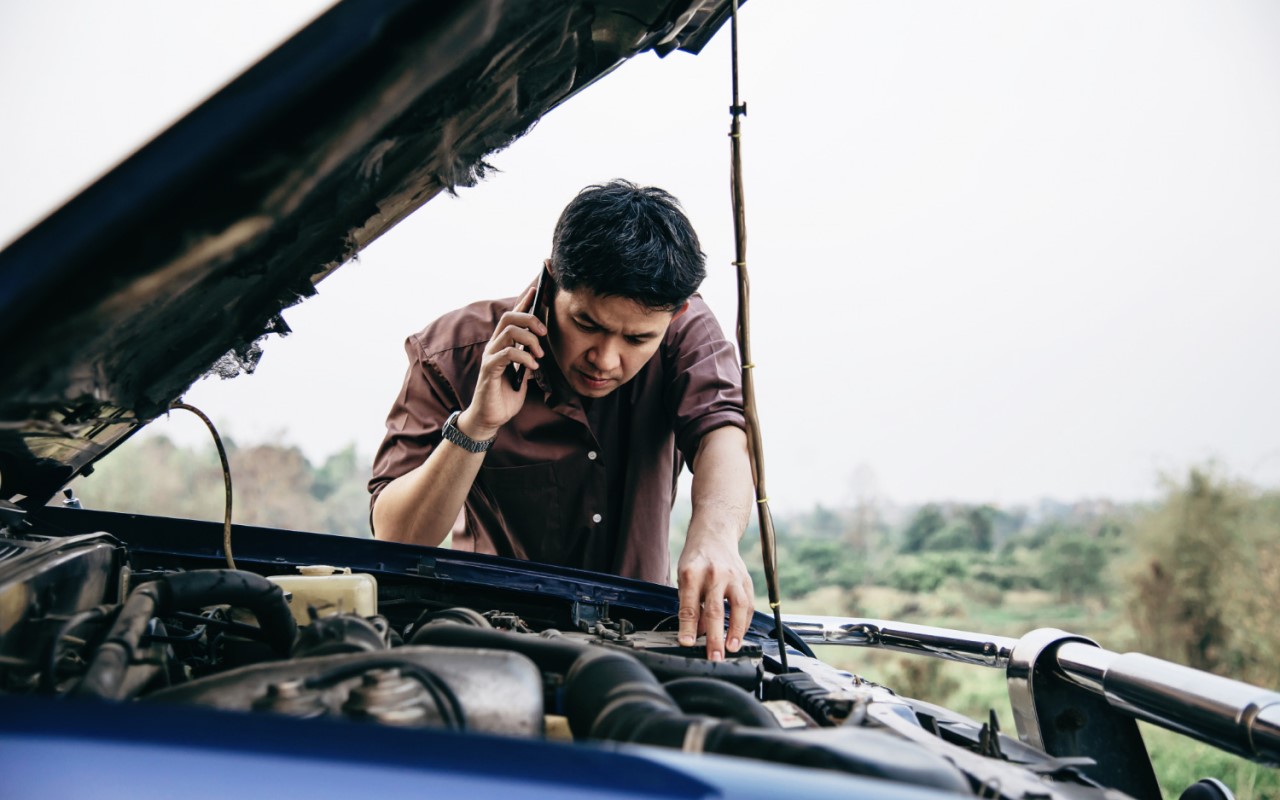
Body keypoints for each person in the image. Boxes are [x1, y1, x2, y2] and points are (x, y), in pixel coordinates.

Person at [369, 180, 754, 661]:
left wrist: (716, 535)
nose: (606, 360)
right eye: (588, 325)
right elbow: (395, 538)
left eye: (636, 339)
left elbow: (722, 430)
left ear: (675, 315)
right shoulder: (451, 354)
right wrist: (476, 426)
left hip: (637, 644)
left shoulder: (687, 330)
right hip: (487, 641)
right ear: (551, 280)